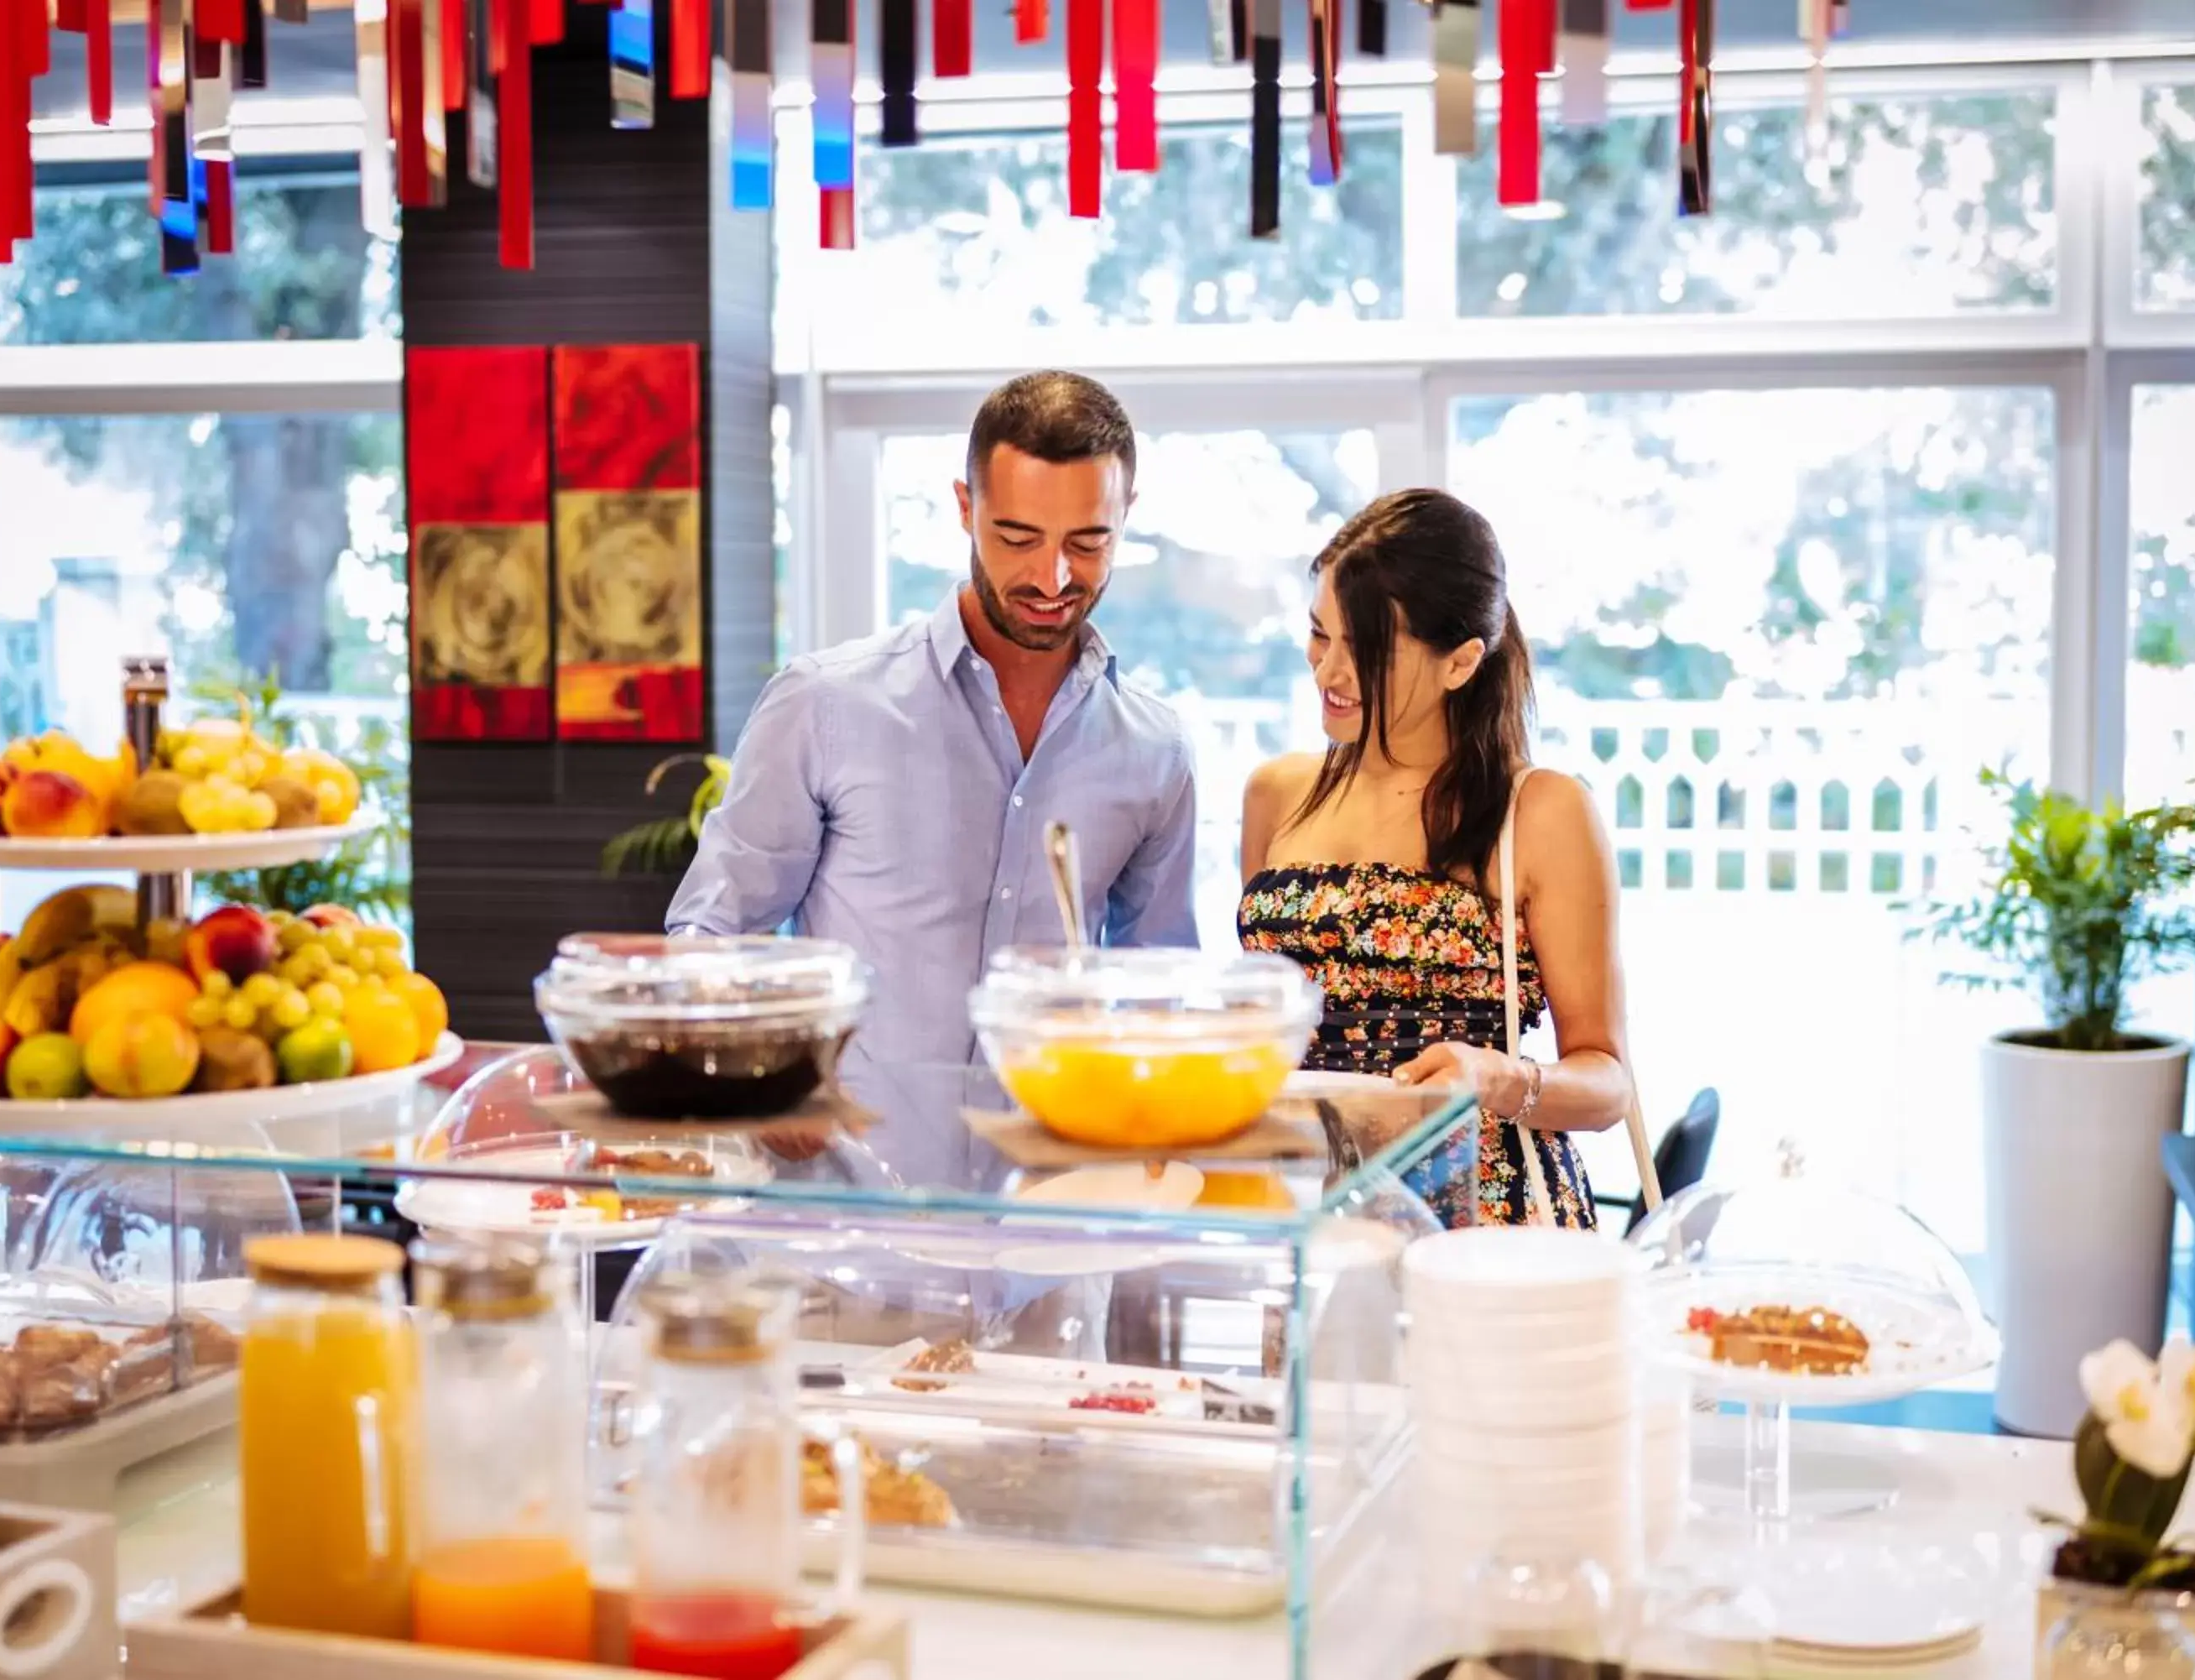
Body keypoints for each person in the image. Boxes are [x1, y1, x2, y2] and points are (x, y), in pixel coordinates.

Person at [668, 371, 1199, 1070]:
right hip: (847, 1172)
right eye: (1017, 537)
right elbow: (712, 928)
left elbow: (1158, 987)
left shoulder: (1154, 752)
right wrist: (755, 1059)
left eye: (1088, 542)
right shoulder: (824, 705)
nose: (1053, 578)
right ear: (965, 507)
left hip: (1051, 1173)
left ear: (1127, 513)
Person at [1237, 488, 1634, 1228]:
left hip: (1488, 1222)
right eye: (1320, 635)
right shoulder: (1276, 794)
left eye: (1367, 651)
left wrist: (1502, 1078)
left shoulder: (1540, 810)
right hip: (1307, 1216)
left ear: (1461, 663)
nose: (1329, 673)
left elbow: (1607, 1083)